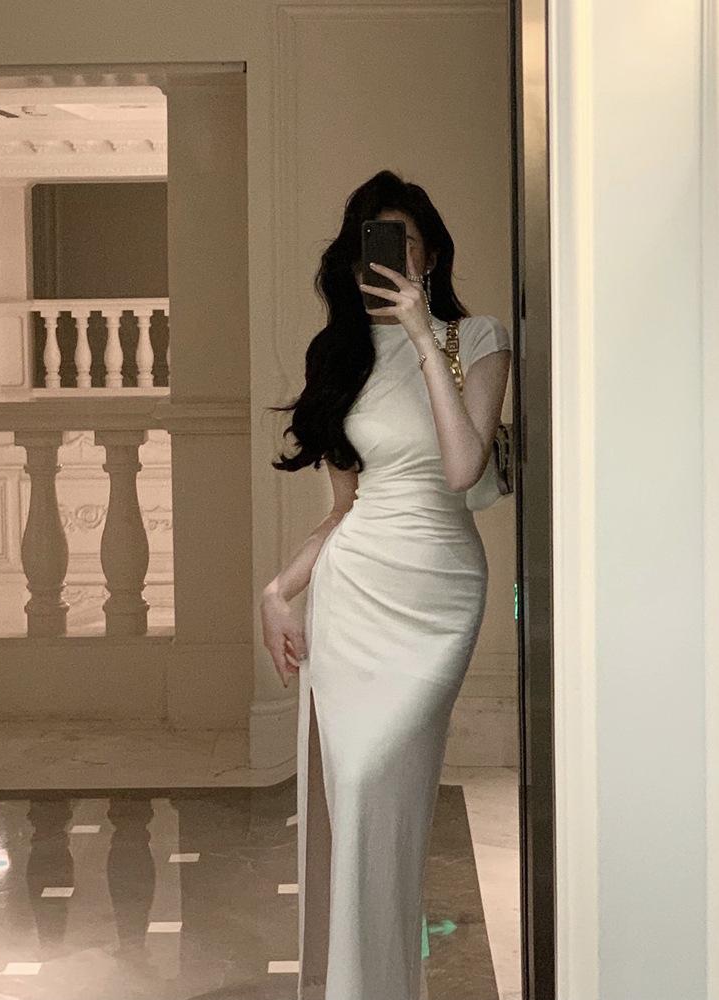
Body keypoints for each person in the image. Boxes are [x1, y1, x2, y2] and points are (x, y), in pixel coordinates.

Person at [261, 169, 512, 1000]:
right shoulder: (338, 359)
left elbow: (463, 468)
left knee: (384, 791)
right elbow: (344, 510)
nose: (391, 256)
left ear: (430, 254)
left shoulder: (477, 340)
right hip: (355, 589)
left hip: (439, 593)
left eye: (404, 240)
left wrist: (420, 334)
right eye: (374, 243)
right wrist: (277, 591)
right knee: (359, 795)